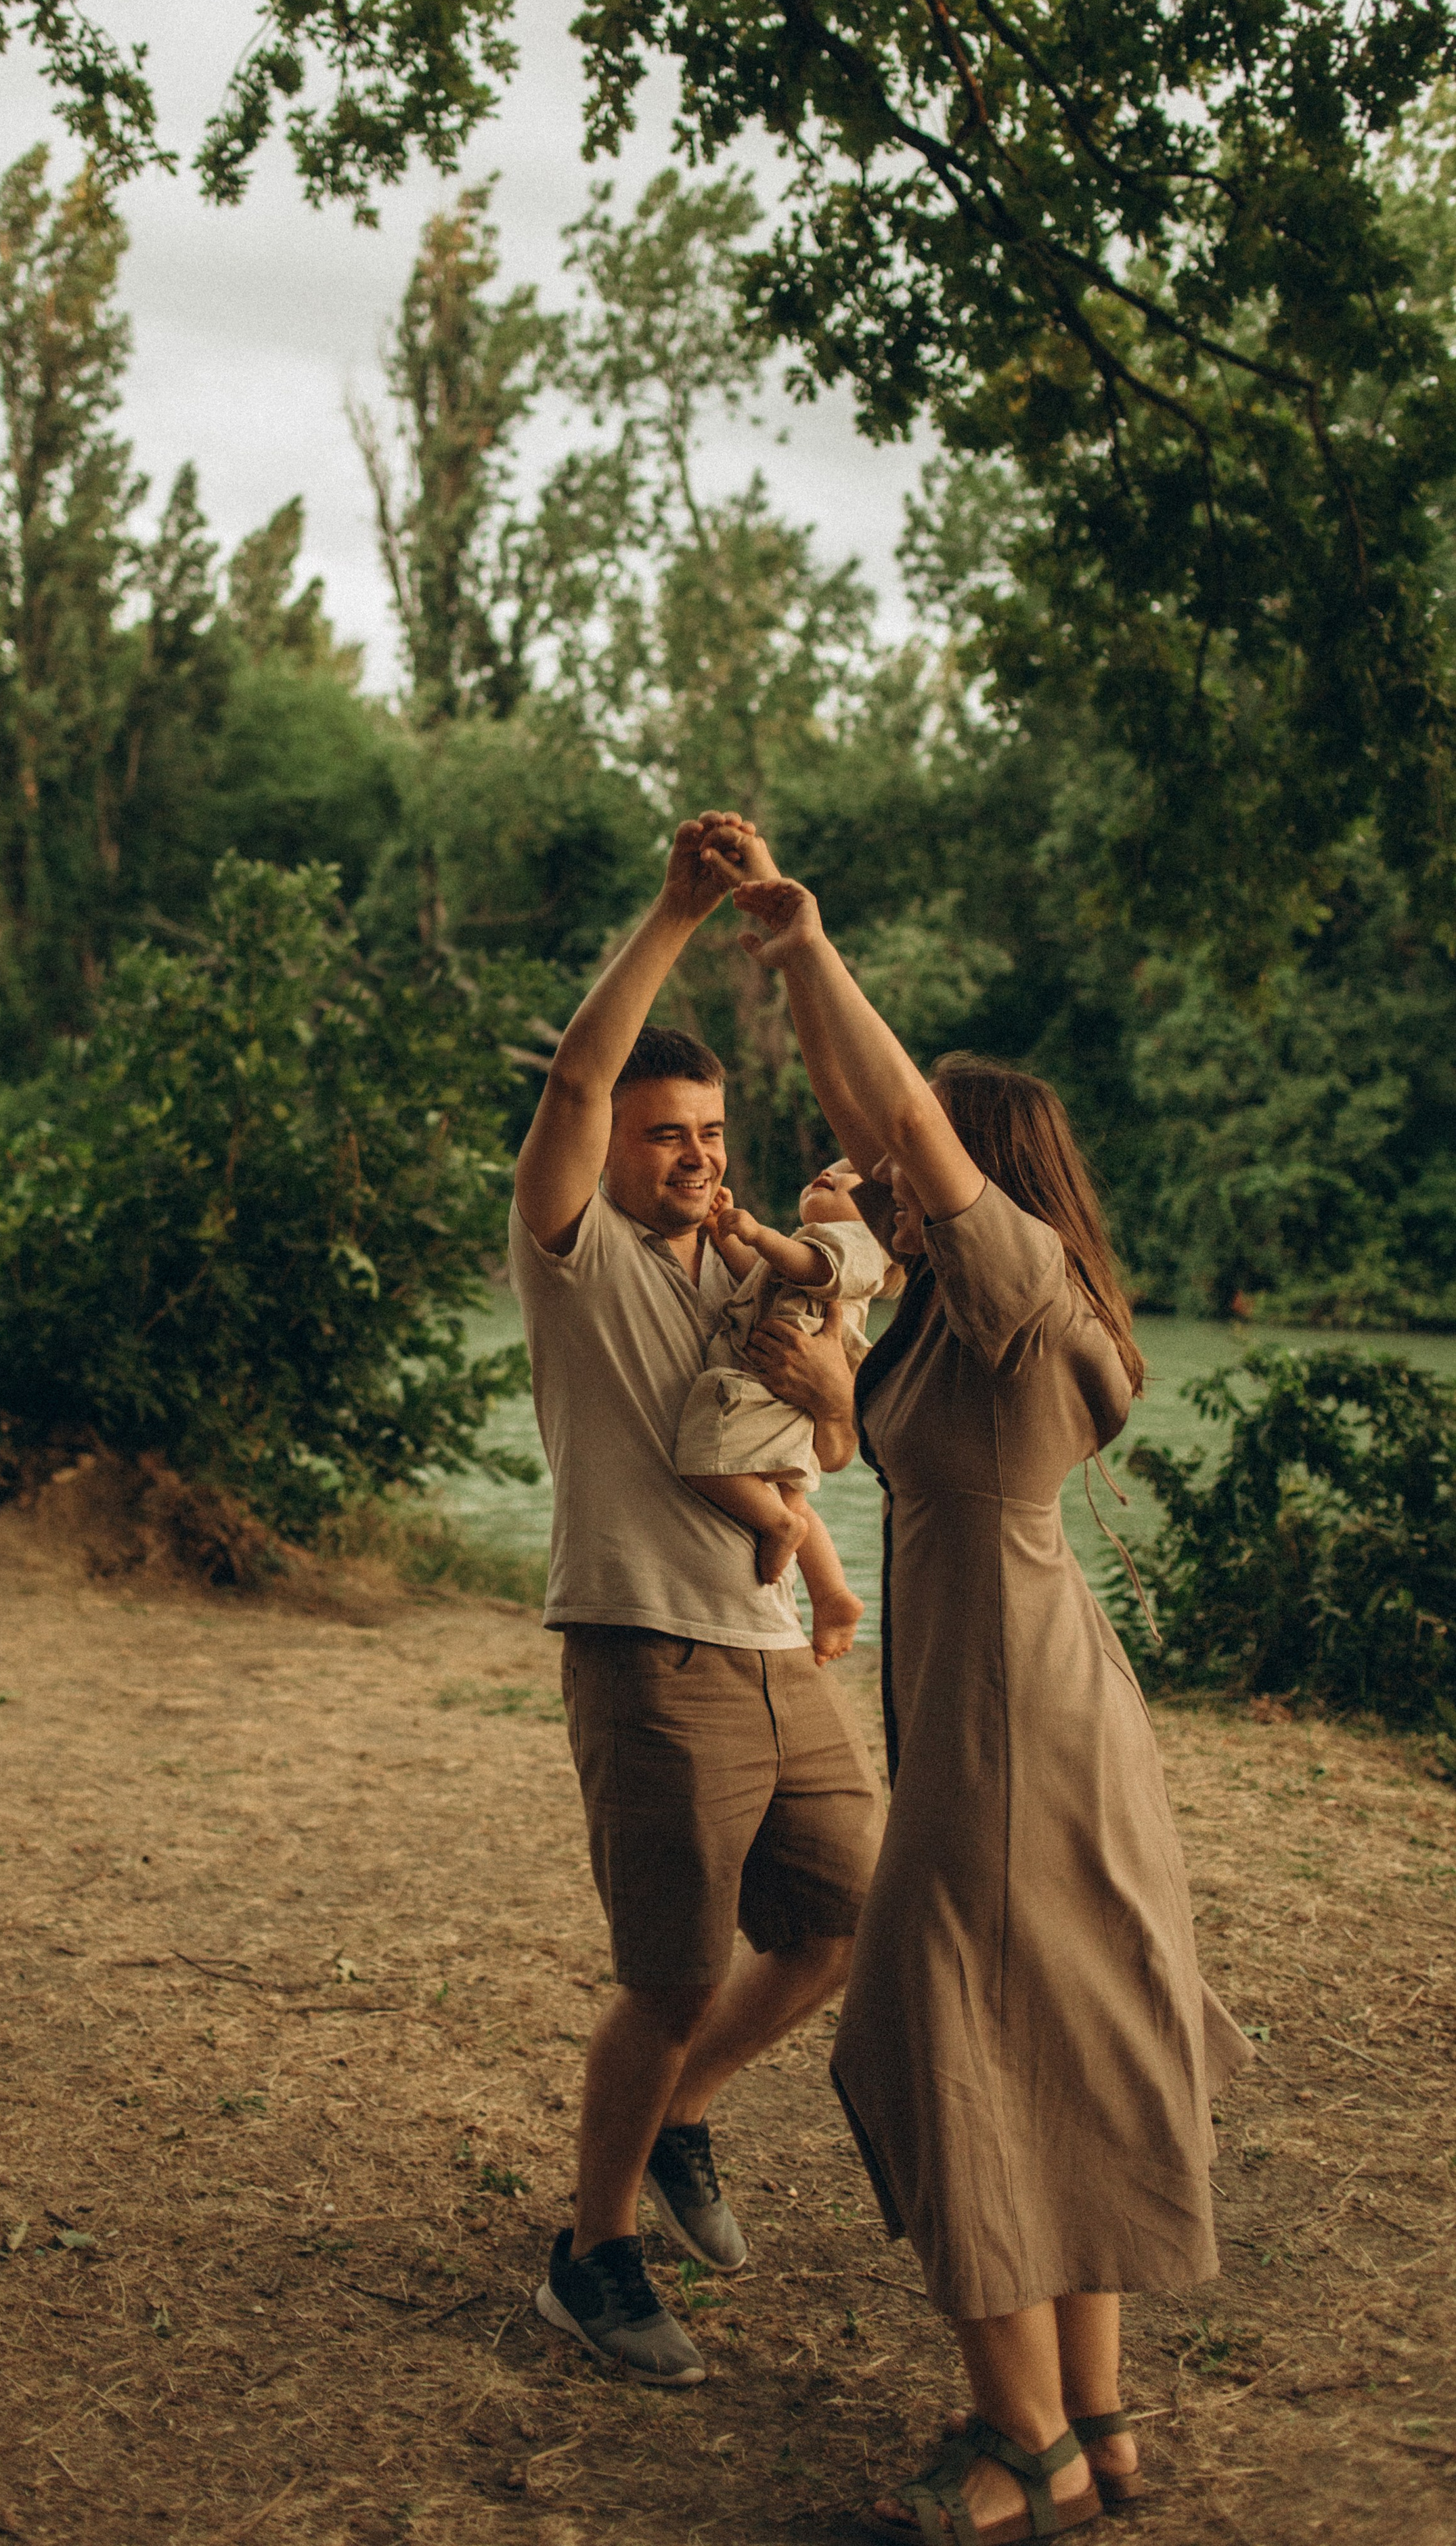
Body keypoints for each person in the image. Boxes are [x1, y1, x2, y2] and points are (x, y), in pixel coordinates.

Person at [731, 868, 1253, 2543]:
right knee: (1058, 2041)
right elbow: (867, 1119)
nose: (882, 1166)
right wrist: (835, 1376)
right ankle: (1093, 2423)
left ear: (985, 1174)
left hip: (1009, 1717)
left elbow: (887, 1108)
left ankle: (1012, 2439)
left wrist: (808, 945)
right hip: (1014, 1685)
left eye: (916, 1156)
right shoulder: (974, 1323)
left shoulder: (1016, 1280)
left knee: (925, 2028)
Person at [509, 814, 883, 2390]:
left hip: (774, 1651)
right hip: (646, 1651)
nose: (692, 1158)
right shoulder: (573, 1248)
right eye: (665, 1135)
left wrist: (830, 1384)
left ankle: (678, 2116)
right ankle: (589, 2257)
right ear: (612, 1147)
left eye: (709, 1133)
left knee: (840, 1915)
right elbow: (576, 1083)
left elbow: (834, 1430)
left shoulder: (736, 1266)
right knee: (663, 1973)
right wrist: (677, 907)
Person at [676, 1158, 896, 1664]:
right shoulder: (814, 1245)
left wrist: (757, 1233)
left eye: (850, 1181)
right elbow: (757, 1279)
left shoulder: (859, 1247)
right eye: (827, 1169)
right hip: (788, 1391)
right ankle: (832, 1595)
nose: (831, 1175)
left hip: (773, 1386)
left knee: (701, 1458)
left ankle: (775, 1527)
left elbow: (810, 1266)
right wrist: (723, 1235)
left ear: (879, 1218)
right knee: (793, 1498)